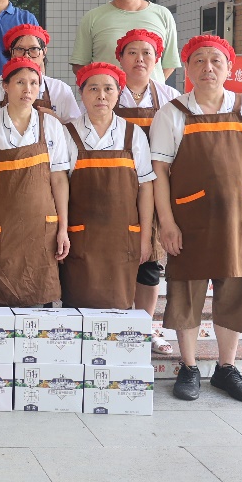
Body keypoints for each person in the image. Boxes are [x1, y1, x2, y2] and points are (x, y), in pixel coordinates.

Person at [151, 35, 242, 403]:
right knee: (186, 294)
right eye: (199, 61)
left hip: (240, 218)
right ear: (187, 69)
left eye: (216, 61)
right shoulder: (172, 113)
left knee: (235, 290)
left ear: (229, 68)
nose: (208, 67)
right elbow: (159, 172)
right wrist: (167, 222)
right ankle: (188, 367)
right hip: (189, 220)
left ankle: (226, 368)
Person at [0, 57, 73, 307]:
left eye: (34, 83)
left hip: (42, 228)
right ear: (5, 86)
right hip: (2, 228)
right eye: (20, 82)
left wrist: (63, 228)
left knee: (41, 298)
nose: (27, 89)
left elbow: (59, 179)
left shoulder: (51, 125)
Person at [59, 62, 155, 310]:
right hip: (81, 238)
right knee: (78, 306)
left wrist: (145, 238)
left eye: (108, 89)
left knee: (120, 305)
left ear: (118, 93)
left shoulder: (133, 134)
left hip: (123, 238)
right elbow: (58, 186)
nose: (101, 95)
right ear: (81, 93)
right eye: (93, 88)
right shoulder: (67, 134)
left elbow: (146, 188)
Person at [114, 28, 181, 354]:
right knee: (116, 258)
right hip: (114, 186)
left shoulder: (169, 97)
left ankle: (145, 328)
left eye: (147, 53)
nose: (139, 59)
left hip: (155, 187)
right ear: (120, 58)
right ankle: (117, 325)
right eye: (132, 52)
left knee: (149, 261)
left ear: (157, 60)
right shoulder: (108, 90)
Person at [70, 0, 181, 84]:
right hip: (108, 96)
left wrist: (144, 89)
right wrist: (104, 88)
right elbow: (80, 65)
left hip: (151, 96)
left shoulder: (163, 15)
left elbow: (169, 64)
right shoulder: (92, 17)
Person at [0, 24, 82, 124]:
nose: (26, 55)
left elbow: (75, 130)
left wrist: (56, 122)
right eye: (19, 49)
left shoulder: (60, 90)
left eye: (34, 49)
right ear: (11, 51)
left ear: (44, 52)